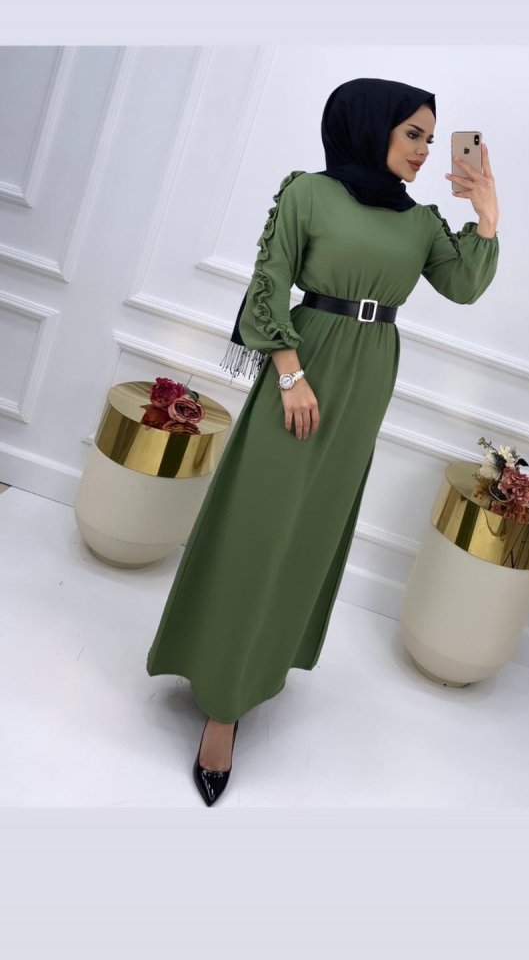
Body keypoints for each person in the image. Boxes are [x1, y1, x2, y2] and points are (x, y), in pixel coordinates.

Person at [146, 77, 500, 806]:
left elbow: (463, 285)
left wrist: (486, 212)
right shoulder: (308, 192)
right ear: (370, 128)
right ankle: (221, 704)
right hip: (304, 367)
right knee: (259, 525)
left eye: (432, 139)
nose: (425, 151)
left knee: (306, 532)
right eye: (413, 134)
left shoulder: (421, 223)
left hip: (368, 379)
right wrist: (289, 374)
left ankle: (256, 668)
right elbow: (269, 281)